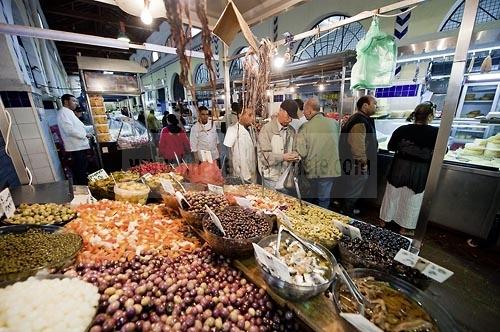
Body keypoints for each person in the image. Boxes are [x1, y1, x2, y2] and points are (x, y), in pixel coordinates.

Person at [379, 102, 439, 235]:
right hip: (419, 170)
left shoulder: (402, 129)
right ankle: (405, 228)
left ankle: (384, 221)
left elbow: (391, 147)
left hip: (399, 167)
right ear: (430, 116)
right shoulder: (436, 132)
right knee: (412, 198)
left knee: (392, 195)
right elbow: (442, 151)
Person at [295, 98, 341, 208]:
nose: (303, 114)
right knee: (324, 199)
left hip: (313, 169)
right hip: (331, 168)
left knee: (310, 198)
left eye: (304, 111)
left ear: (310, 110)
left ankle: (310, 220)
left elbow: (302, 151)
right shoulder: (334, 123)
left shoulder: (305, 127)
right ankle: (323, 220)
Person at [338, 95, 378, 216]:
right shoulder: (359, 122)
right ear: (365, 106)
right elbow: (357, 146)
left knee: (351, 188)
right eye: (374, 104)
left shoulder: (359, 119)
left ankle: (345, 210)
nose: (377, 107)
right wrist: (363, 163)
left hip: (351, 163)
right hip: (356, 165)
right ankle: (347, 214)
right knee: (353, 190)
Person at [258, 100, 300, 190]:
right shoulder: (267, 130)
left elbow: (295, 149)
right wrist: (283, 157)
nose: (290, 120)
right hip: (271, 179)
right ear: (281, 111)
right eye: (288, 116)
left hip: (286, 179)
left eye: (291, 118)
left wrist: (296, 155)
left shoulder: (292, 131)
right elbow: (264, 157)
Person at [57, 94, 93, 185]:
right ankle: (84, 188)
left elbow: (81, 127)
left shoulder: (69, 112)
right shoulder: (63, 113)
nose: (76, 103)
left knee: (83, 169)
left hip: (80, 146)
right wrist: (85, 135)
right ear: (66, 101)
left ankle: (86, 185)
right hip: (75, 148)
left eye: (76, 101)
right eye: (73, 101)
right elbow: (69, 130)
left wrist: (93, 128)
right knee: (80, 170)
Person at [223, 108, 257, 183]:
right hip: (240, 173)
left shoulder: (251, 130)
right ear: (240, 115)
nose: (252, 118)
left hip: (252, 171)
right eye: (249, 115)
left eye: (253, 115)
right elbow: (228, 152)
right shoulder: (232, 130)